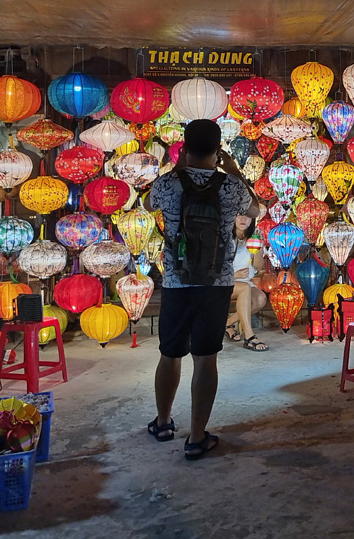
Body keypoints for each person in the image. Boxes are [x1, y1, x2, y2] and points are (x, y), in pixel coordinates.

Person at [148, 119, 261, 459]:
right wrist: (232, 169)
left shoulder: (168, 183)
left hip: (177, 282)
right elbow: (256, 209)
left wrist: (179, 167)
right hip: (216, 284)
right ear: (218, 149)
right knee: (205, 359)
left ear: (184, 146)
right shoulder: (230, 186)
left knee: (170, 353)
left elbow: (146, 205)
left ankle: (165, 422)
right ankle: (196, 438)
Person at [226, 214, 270, 351]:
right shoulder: (225, 237)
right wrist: (233, 276)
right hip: (225, 282)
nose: (243, 219)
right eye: (239, 215)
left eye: (247, 216)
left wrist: (258, 247)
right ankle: (249, 337)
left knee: (260, 299)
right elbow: (214, 269)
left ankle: (227, 323)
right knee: (245, 288)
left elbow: (258, 267)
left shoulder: (253, 237)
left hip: (245, 282)